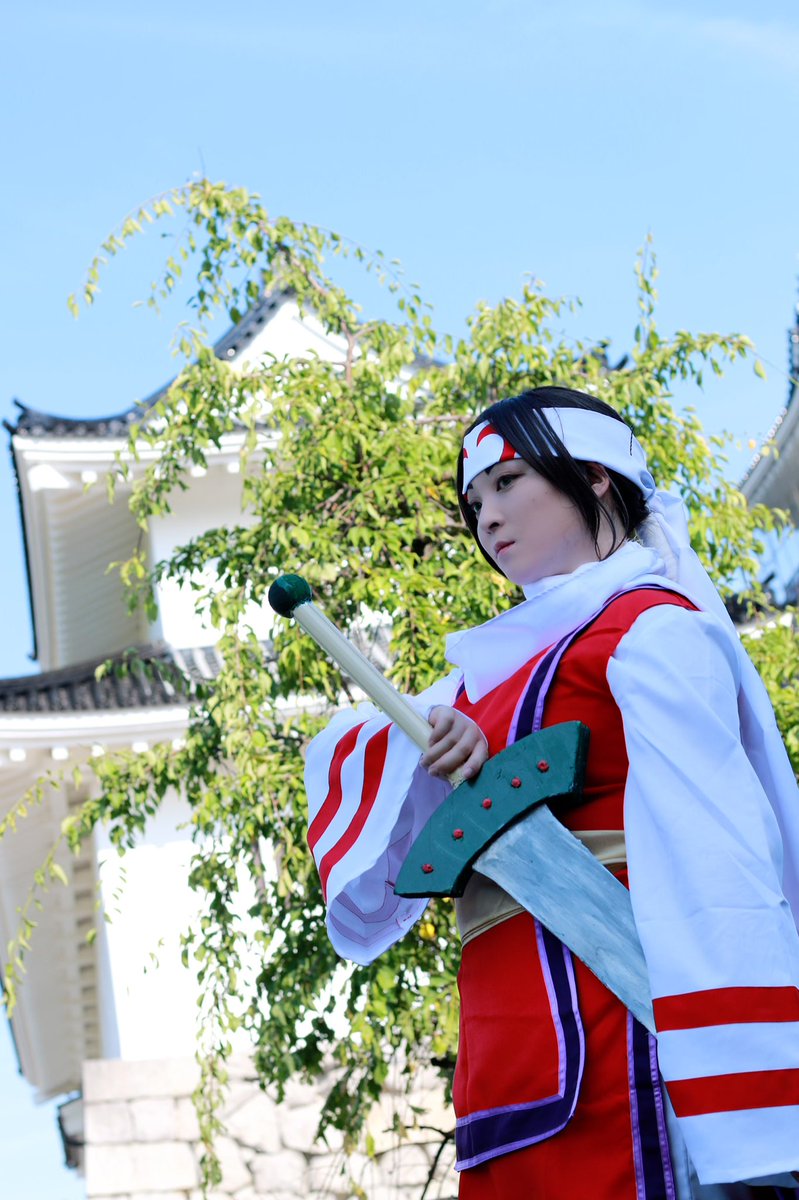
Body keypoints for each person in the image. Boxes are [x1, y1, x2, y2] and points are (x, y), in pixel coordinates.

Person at [304, 386, 799, 1199]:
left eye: (507, 483)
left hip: (630, 1040)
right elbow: (355, 759)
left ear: (595, 476)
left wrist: (751, 1095)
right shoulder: (481, 679)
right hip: (505, 1057)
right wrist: (430, 738)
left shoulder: (652, 630)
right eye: (474, 502)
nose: (486, 517)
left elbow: (720, 857)